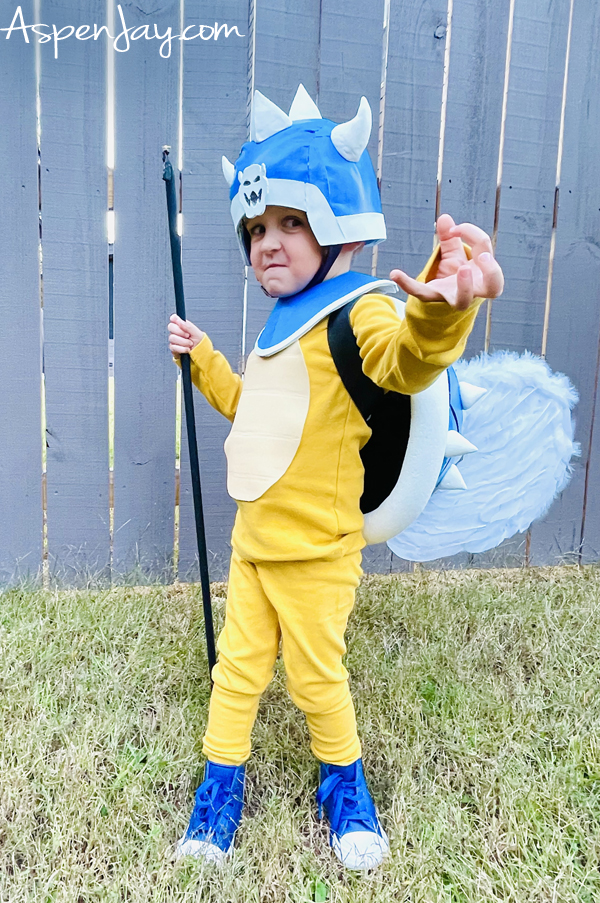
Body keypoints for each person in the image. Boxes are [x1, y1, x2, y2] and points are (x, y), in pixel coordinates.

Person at [167, 85, 504, 870]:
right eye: (255, 229)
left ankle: (345, 787)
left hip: (318, 552)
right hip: (256, 547)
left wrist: (443, 312)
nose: (267, 244)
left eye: (289, 222)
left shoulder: (361, 312)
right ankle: (220, 794)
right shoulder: (276, 327)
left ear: (337, 222)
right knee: (237, 676)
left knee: (318, 678)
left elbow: (407, 358)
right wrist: (206, 360)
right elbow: (258, 415)